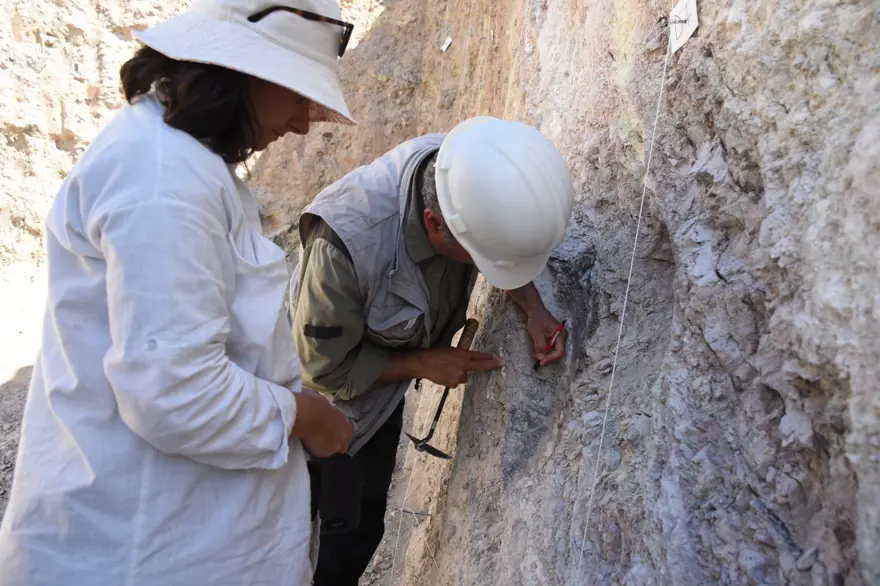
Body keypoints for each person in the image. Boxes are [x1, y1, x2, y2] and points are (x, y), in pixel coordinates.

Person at [0, 1, 358, 584]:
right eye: (297, 95)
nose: (302, 123)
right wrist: (306, 416)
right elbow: (174, 392)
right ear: (243, 73)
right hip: (139, 550)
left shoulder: (176, 162)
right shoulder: (162, 180)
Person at [289, 116, 575, 585]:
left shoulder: (469, 171)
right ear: (434, 225)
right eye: (480, 258)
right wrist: (424, 362)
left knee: (361, 527)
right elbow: (323, 369)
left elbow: (494, 242)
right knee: (314, 537)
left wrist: (534, 309)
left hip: (379, 395)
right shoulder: (345, 246)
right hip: (325, 405)